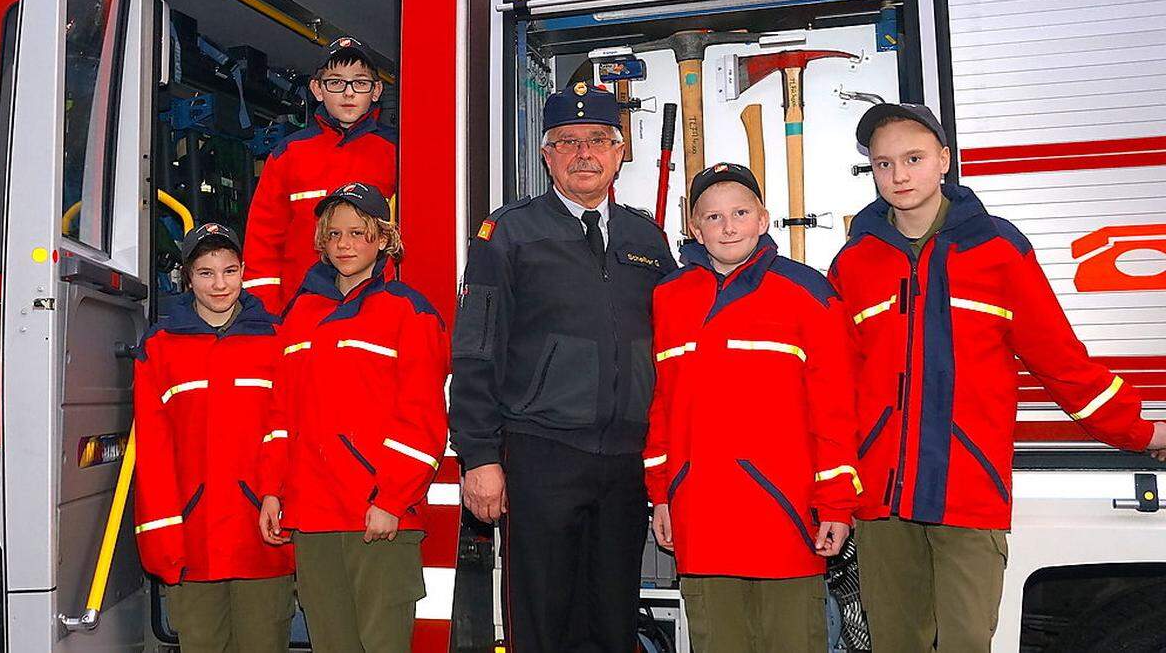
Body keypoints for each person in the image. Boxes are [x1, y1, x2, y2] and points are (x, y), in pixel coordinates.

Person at [829, 103, 1166, 651]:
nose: (900, 175)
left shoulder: (997, 250)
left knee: (967, 642)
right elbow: (836, 386)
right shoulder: (854, 263)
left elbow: (1059, 359)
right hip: (882, 502)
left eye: (913, 158)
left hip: (968, 490)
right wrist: (838, 492)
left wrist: (1139, 431)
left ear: (943, 160)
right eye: (884, 164)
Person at [449, 83, 677, 652]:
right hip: (540, 454)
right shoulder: (507, 234)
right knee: (543, 625)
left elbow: (674, 353)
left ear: (620, 150)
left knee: (612, 623)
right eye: (567, 142)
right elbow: (475, 349)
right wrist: (478, 457)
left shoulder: (646, 238)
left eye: (598, 140)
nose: (584, 153)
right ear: (546, 155)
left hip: (626, 462)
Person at [644, 163, 860, 652]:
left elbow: (835, 408)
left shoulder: (809, 294)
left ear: (763, 219)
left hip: (786, 518)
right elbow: (661, 406)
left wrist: (838, 504)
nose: (728, 226)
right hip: (700, 521)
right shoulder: (668, 299)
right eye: (713, 217)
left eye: (740, 212)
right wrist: (662, 494)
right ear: (693, 227)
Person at [256, 182, 448, 652]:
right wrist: (271, 491)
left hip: (376, 515)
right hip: (312, 517)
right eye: (335, 234)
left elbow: (423, 419)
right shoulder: (299, 314)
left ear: (383, 239)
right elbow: (280, 414)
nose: (344, 245)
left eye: (358, 233)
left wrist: (392, 500)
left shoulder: (410, 311)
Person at [133, 223, 295, 653]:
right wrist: (162, 539)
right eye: (206, 273)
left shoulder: (279, 341)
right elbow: (153, 452)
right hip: (193, 539)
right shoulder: (159, 348)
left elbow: (286, 429)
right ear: (188, 278)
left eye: (229, 270)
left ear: (244, 271)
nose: (219, 284)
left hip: (262, 535)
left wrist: (274, 494)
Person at [242, 36, 397, 314]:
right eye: (335, 82)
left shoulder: (399, 153)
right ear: (317, 88)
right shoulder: (288, 154)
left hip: (378, 312)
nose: (348, 93)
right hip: (299, 313)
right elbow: (262, 243)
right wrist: (264, 316)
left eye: (360, 82)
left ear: (376, 90)